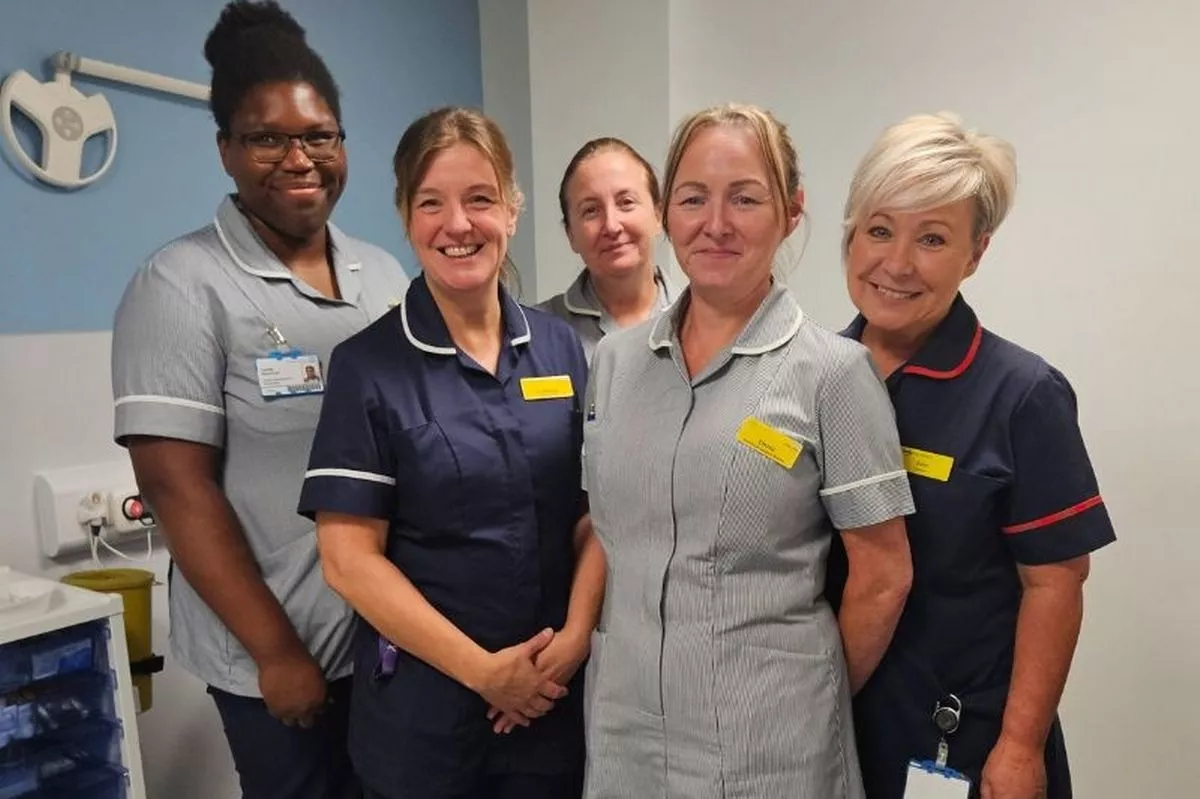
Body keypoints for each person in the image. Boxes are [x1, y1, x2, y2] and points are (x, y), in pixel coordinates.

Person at [111, 3, 408, 797]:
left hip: (388, 642)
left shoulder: (382, 274)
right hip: (279, 654)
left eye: (320, 134)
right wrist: (276, 652)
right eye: (267, 137)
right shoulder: (181, 285)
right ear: (227, 151)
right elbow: (177, 488)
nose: (299, 157)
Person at [581, 103, 915, 798]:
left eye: (745, 198)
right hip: (627, 737)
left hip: (772, 748)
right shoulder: (614, 365)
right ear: (668, 213)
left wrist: (795, 693)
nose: (716, 223)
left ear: (791, 212)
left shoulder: (834, 374)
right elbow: (614, 536)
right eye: (694, 198)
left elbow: (883, 575)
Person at [298, 107, 601, 799]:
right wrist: (486, 672)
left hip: (553, 702)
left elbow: (594, 512)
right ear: (405, 216)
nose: (457, 224)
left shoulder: (558, 349)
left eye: (480, 199)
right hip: (426, 722)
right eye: (431, 202)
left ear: (513, 211)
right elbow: (349, 560)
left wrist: (577, 633)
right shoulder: (369, 366)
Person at [832, 112, 1116, 799]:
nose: (896, 263)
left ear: (976, 253)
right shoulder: (815, 376)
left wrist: (1020, 747)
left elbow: (1055, 585)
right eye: (879, 229)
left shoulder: (1021, 395)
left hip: (960, 733)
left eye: (932, 238)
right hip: (830, 721)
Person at [538, 137, 677, 362]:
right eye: (591, 210)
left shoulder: (702, 321)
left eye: (626, 202)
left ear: (658, 214)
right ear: (570, 234)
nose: (611, 225)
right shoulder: (539, 333)